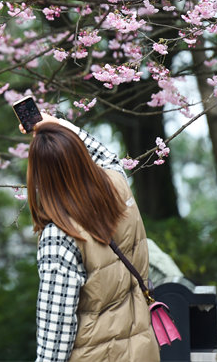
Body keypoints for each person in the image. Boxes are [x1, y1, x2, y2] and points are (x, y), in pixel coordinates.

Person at [24, 113, 159, 362]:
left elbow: (55, 335)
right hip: (143, 348)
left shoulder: (59, 235)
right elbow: (105, 155)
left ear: (40, 175)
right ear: (82, 158)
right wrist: (58, 124)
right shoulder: (118, 186)